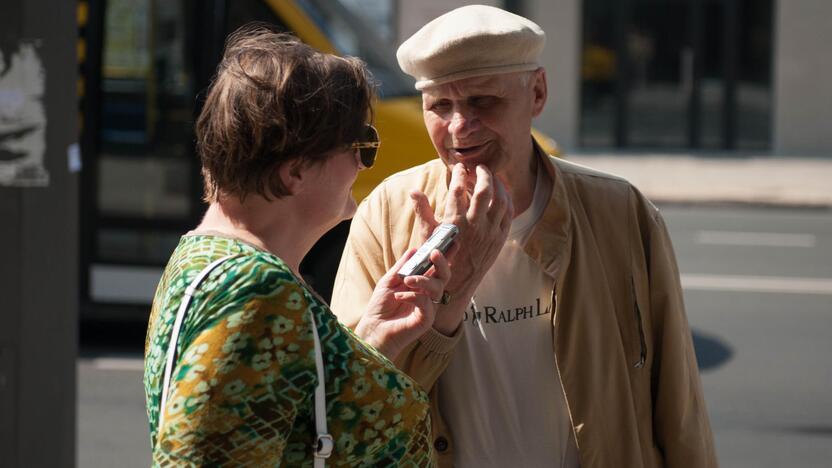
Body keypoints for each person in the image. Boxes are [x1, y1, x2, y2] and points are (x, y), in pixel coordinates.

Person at [331, 5, 717, 468]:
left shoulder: (622, 212)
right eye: (440, 106)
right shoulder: (388, 213)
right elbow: (354, 399)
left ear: (537, 93)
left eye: (482, 102)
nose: (459, 127)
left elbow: (679, 406)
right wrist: (448, 283)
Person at [143, 24, 451, 466]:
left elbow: (292, 421)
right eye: (361, 146)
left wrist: (368, 341)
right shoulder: (253, 288)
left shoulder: (205, 258)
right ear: (296, 170)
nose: (363, 166)